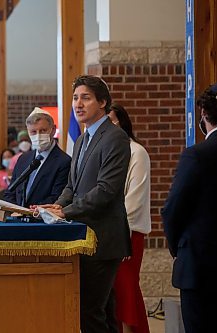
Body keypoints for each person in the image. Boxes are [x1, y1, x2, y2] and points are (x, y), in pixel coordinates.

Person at [38, 75, 131, 332]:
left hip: (103, 237)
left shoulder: (115, 138)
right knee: (99, 311)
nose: (78, 104)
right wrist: (54, 208)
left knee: (90, 312)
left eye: (86, 98)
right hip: (83, 233)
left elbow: (106, 190)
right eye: (76, 98)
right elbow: (72, 186)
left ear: (102, 102)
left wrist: (65, 211)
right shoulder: (81, 139)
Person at [161, 82, 217, 333]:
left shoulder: (197, 155)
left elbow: (173, 209)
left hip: (201, 265)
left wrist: (179, 249)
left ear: (203, 114)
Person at [108, 104, 151, 333]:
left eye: (112, 121)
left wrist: (118, 233)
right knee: (112, 294)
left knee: (126, 292)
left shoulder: (137, 152)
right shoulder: (106, 152)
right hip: (106, 233)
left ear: (123, 123)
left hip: (127, 233)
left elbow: (134, 201)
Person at [4, 108, 71, 207]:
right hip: (18, 219)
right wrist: (17, 210)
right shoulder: (23, 159)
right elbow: (11, 192)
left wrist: (30, 211)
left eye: (43, 130)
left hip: (42, 218)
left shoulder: (64, 161)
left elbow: (57, 196)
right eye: (33, 132)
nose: (38, 136)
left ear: (52, 130)